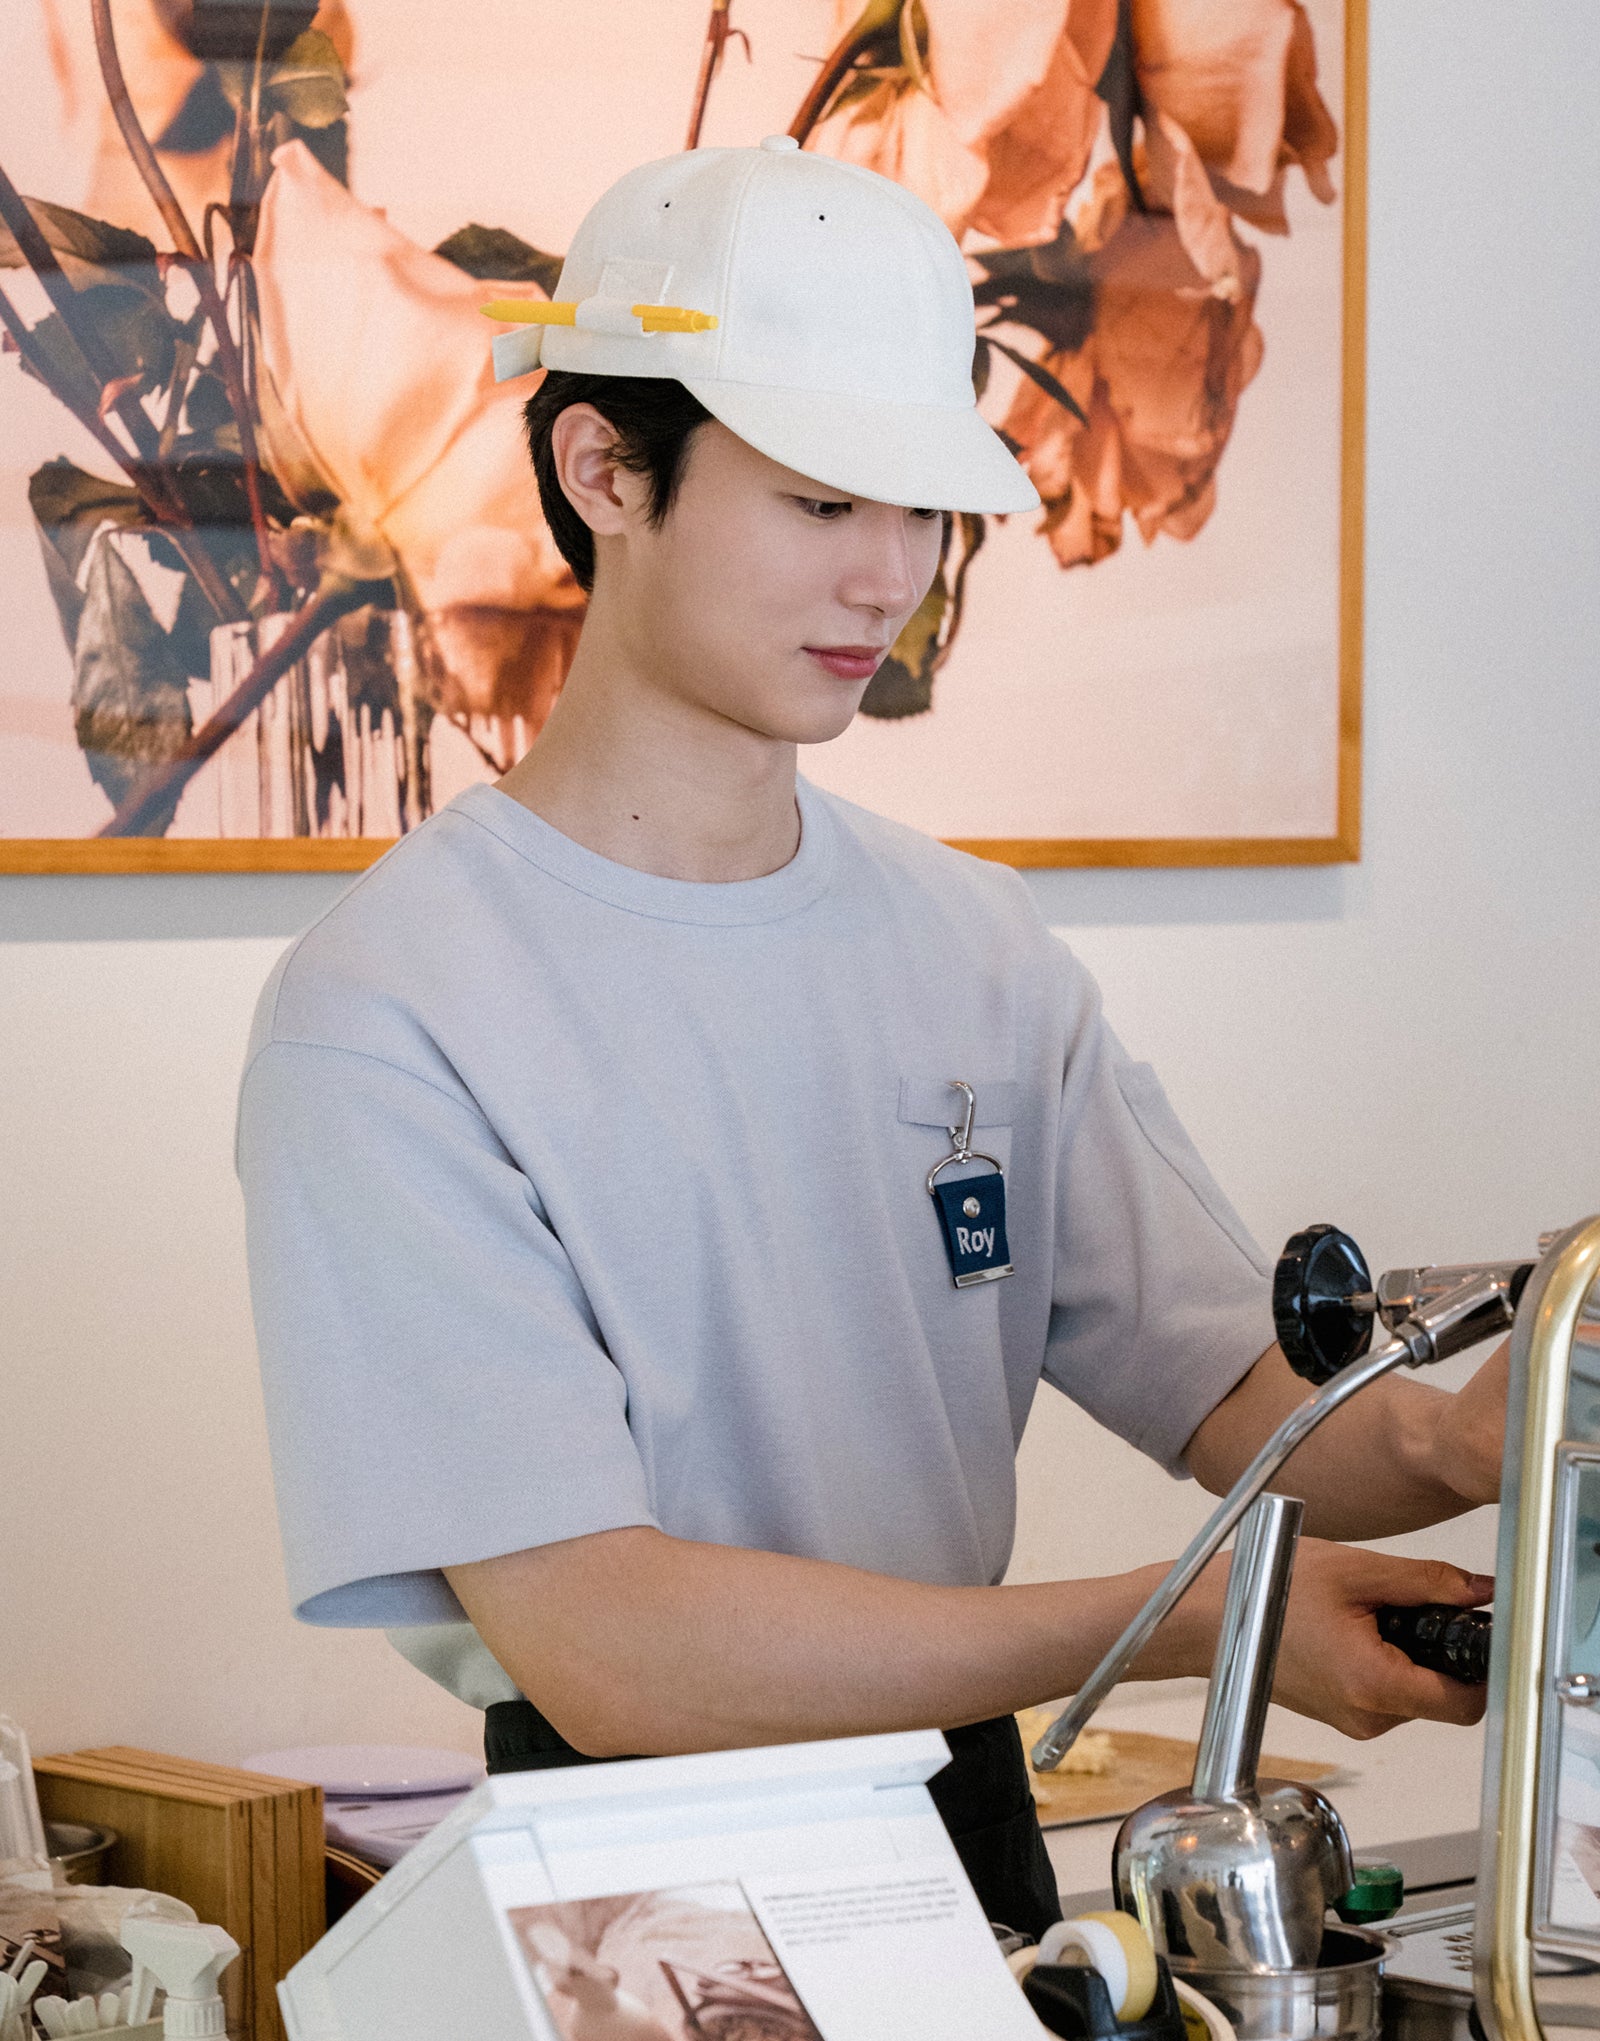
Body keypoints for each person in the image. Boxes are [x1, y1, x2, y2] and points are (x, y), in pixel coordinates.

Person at [236, 136, 1504, 1941]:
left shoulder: (973, 944)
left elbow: (1248, 1404)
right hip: (642, 1877)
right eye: (824, 502)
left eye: (920, 508)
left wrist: (1471, 1435)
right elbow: (617, 1655)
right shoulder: (391, 1012)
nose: (888, 575)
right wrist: (1193, 1616)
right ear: (604, 467)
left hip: (972, 1835)